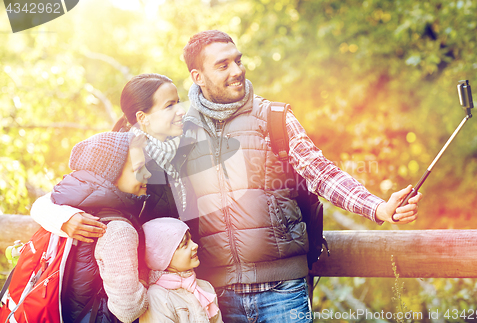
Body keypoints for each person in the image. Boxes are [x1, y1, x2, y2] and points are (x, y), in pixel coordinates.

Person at [179, 30, 423, 323]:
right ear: (198, 77)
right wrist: (107, 216)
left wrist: (378, 208)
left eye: (238, 61)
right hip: (214, 297)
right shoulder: (180, 129)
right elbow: (146, 189)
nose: (237, 71)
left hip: (283, 292)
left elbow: (321, 172)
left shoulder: (273, 118)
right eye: (223, 65)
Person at [31, 73, 196, 242]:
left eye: (178, 102)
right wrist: (65, 219)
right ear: (142, 117)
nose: (181, 111)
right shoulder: (121, 156)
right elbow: (55, 198)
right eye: (169, 106)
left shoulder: (183, 148)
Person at [52, 131, 150, 322]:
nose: (148, 174)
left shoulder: (75, 211)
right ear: (111, 176)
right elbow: (128, 310)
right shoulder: (118, 230)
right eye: (139, 168)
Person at [139, 218, 222, 323]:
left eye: (191, 240)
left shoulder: (205, 288)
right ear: (164, 257)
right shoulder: (157, 297)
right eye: (185, 244)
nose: (195, 245)